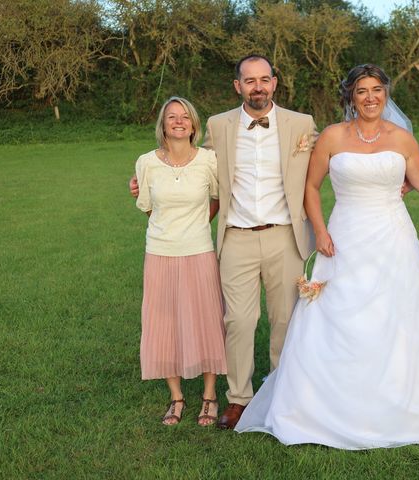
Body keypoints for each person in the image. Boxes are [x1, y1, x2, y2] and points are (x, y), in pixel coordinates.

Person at [234, 64, 419, 449]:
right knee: (337, 314)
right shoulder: (333, 136)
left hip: (393, 238)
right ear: (350, 97)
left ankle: (405, 402)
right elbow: (311, 186)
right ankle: (320, 406)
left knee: (398, 317)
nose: (370, 97)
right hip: (344, 237)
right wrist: (320, 230)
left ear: (386, 94)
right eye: (361, 91)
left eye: (376, 89)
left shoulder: (402, 139)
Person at [131, 55, 317, 429]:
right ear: (238, 86)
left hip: (285, 236)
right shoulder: (219, 125)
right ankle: (238, 399)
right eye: (250, 80)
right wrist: (144, 185)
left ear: (275, 83)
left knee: (285, 319)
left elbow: (324, 165)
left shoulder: (302, 124)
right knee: (239, 321)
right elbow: (194, 169)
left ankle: (282, 391)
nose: (258, 87)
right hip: (236, 239)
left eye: (265, 79)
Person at [135, 97, 227, 426]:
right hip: (159, 252)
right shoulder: (146, 162)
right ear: (162, 125)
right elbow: (148, 206)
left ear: (193, 125)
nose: (178, 121)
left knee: (206, 319)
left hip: (199, 250)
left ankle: (209, 395)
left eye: (184, 117)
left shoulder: (209, 160)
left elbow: (218, 198)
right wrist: (168, 226)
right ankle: (176, 397)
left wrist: (199, 223)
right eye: (171, 117)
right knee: (164, 322)